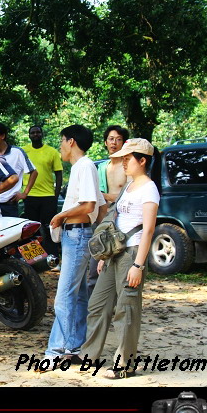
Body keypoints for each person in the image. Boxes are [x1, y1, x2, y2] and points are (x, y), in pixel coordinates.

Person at [76, 138, 160, 379]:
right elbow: (117, 222)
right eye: (122, 158)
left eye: (128, 158)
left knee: (126, 310)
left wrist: (138, 265)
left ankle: (125, 365)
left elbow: (148, 230)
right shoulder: (129, 186)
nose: (123, 163)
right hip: (115, 255)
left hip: (132, 255)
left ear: (142, 161)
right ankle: (89, 356)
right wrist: (105, 256)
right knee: (97, 305)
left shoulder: (148, 189)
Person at [42, 125, 106, 365]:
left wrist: (60, 216)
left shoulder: (85, 166)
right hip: (77, 235)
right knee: (77, 294)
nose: (60, 146)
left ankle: (56, 351)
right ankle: (75, 346)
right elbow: (101, 206)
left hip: (78, 234)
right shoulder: (83, 167)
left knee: (64, 295)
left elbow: (89, 205)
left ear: (71, 141)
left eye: (62, 141)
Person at [87, 125, 130, 295]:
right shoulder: (101, 167)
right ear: (105, 142)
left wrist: (106, 196)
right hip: (102, 221)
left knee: (119, 264)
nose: (114, 142)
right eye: (111, 139)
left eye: (118, 139)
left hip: (121, 220)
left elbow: (128, 195)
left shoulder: (127, 166)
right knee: (95, 266)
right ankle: (94, 307)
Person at [20, 125, 63, 259]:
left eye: (38, 132)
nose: (35, 134)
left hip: (48, 196)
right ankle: (33, 258)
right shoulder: (24, 151)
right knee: (30, 229)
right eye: (33, 133)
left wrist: (56, 195)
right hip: (30, 196)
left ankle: (52, 257)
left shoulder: (52, 152)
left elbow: (59, 174)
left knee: (49, 227)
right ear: (29, 135)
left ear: (42, 134)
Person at [0, 122, 38, 217]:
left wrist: (24, 193)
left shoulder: (17, 152)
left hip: (9, 204)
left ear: (2, 136)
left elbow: (34, 172)